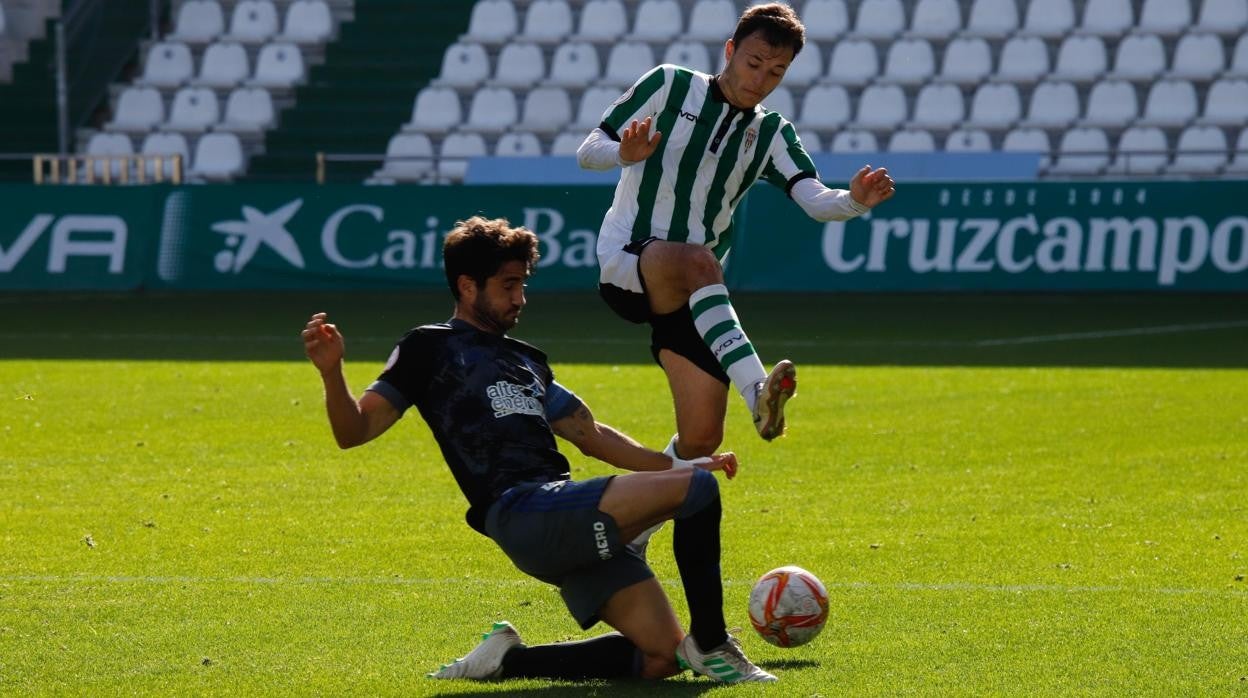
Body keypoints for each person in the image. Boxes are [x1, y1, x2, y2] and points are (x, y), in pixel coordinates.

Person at [301, 216, 776, 684]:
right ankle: (713, 645)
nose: (520, 298)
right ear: (468, 287)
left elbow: (593, 435)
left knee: (661, 659)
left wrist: (679, 464)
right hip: (524, 510)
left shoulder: (527, 360)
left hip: (561, 514)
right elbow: (354, 430)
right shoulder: (429, 347)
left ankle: (510, 661)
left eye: (522, 284)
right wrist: (331, 373)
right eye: (508, 285)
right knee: (697, 491)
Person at [578, 2, 896, 462]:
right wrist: (623, 155)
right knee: (699, 260)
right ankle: (758, 392)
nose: (760, 80)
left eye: (776, 72)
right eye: (753, 64)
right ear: (730, 50)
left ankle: (635, 532)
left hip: (693, 297)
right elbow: (589, 150)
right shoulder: (670, 84)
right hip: (627, 264)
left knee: (702, 440)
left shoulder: (771, 133)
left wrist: (853, 201)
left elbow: (813, 198)